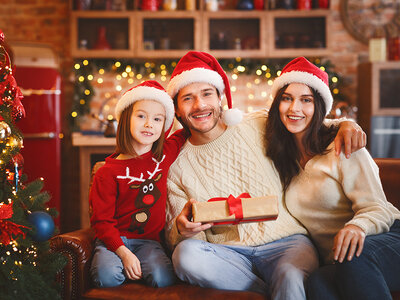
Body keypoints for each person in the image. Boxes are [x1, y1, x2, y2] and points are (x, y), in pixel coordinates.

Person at [164, 51, 366, 300]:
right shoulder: (176, 166)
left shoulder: (258, 123)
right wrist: (185, 229)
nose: (199, 105)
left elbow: (305, 121)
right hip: (228, 253)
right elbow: (176, 233)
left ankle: (279, 287)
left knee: (290, 275)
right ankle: (268, 292)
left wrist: (346, 123)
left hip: (287, 242)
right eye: (187, 99)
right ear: (177, 111)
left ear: (221, 99)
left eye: (207, 94)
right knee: (185, 255)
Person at [265, 56, 400, 300]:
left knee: (354, 255)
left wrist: (357, 226)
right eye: (287, 98)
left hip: (386, 238)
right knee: (317, 283)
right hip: (339, 259)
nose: (295, 108)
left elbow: (379, 208)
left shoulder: (343, 147)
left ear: (319, 107)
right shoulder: (281, 155)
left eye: (306, 100)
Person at [89, 80, 188, 288]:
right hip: (113, 243)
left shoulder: (165, 154)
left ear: (164, 125)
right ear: (126, 119)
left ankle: (136, 268)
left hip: (149, 242)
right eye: (141, 116)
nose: (149, 124)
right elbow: (102, 222)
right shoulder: (107, 172)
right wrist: (123, 254)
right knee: (105, 276)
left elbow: (189, 127)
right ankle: (124, 266)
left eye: (157, 119)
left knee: (163, 278)